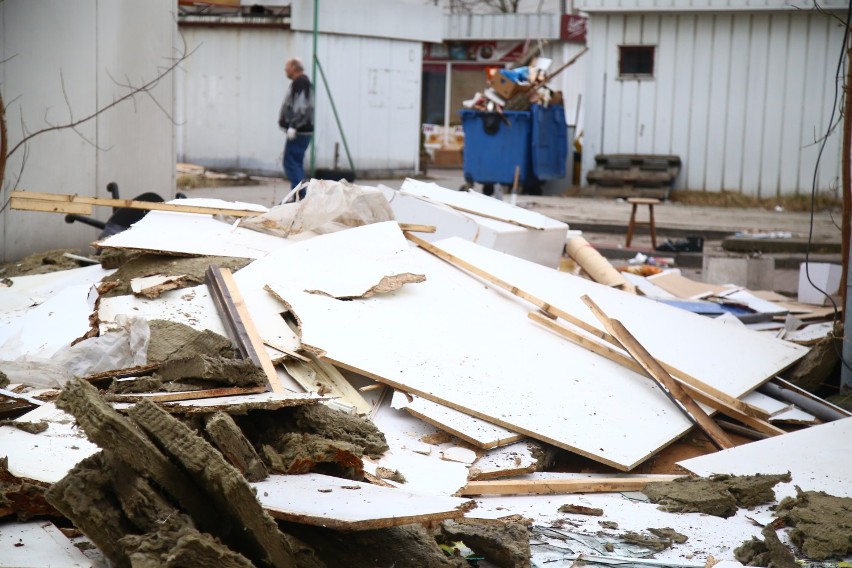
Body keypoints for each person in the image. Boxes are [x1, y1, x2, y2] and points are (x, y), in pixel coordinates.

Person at [278, 57, 314, 198]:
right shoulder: (301, 82)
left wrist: (294, 126)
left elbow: (302, 107)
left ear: (294, 67)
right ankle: (300, 195)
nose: (285, 69)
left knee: (291, 163)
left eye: (287, 66)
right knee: (295, 163)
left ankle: (300, 196)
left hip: (299, 131)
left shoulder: (300, 82)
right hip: (301, 130)